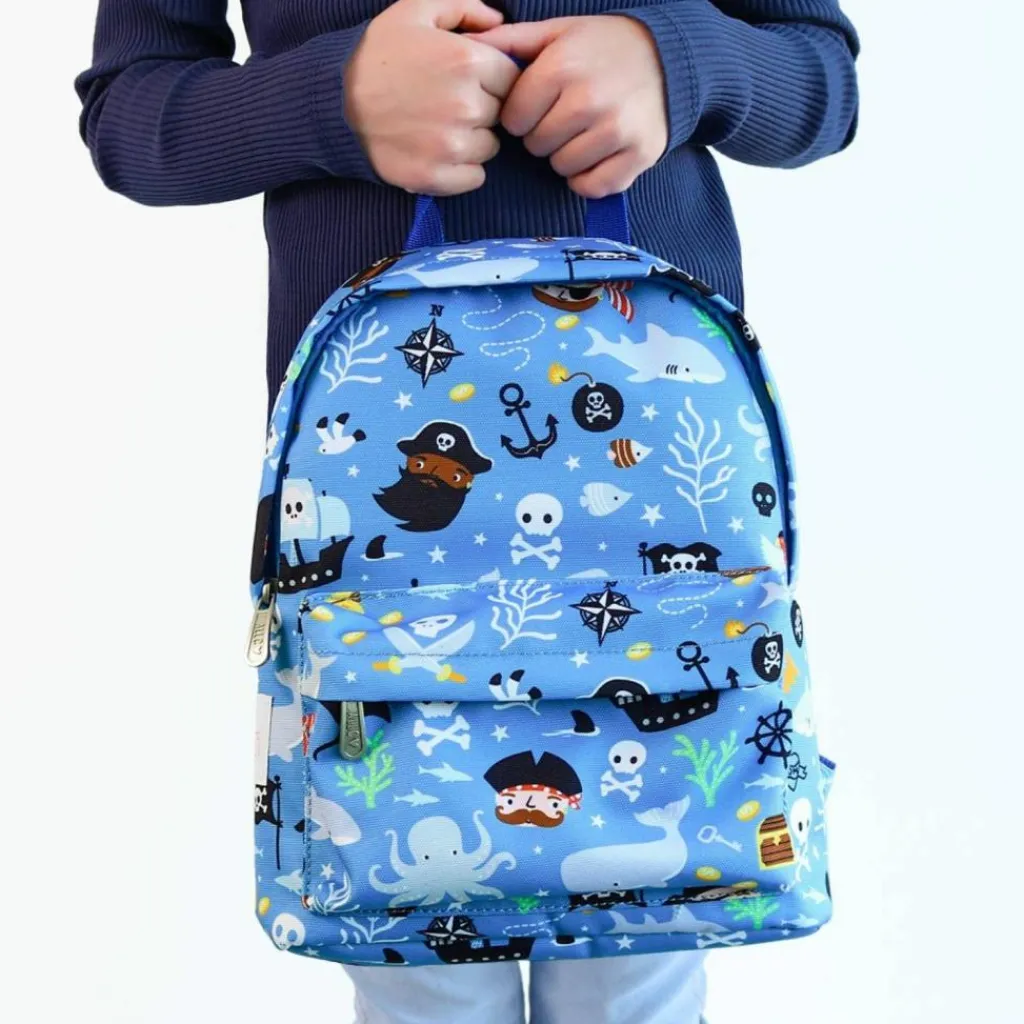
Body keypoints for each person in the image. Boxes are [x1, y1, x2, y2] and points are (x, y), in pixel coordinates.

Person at [75, 2, 859, 1021]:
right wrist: (337, 96)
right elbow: (129, 113)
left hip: (666, 481)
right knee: (419, 965)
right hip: (371, 496)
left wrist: (680, 64)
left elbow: (822, 78)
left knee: (643, 961)